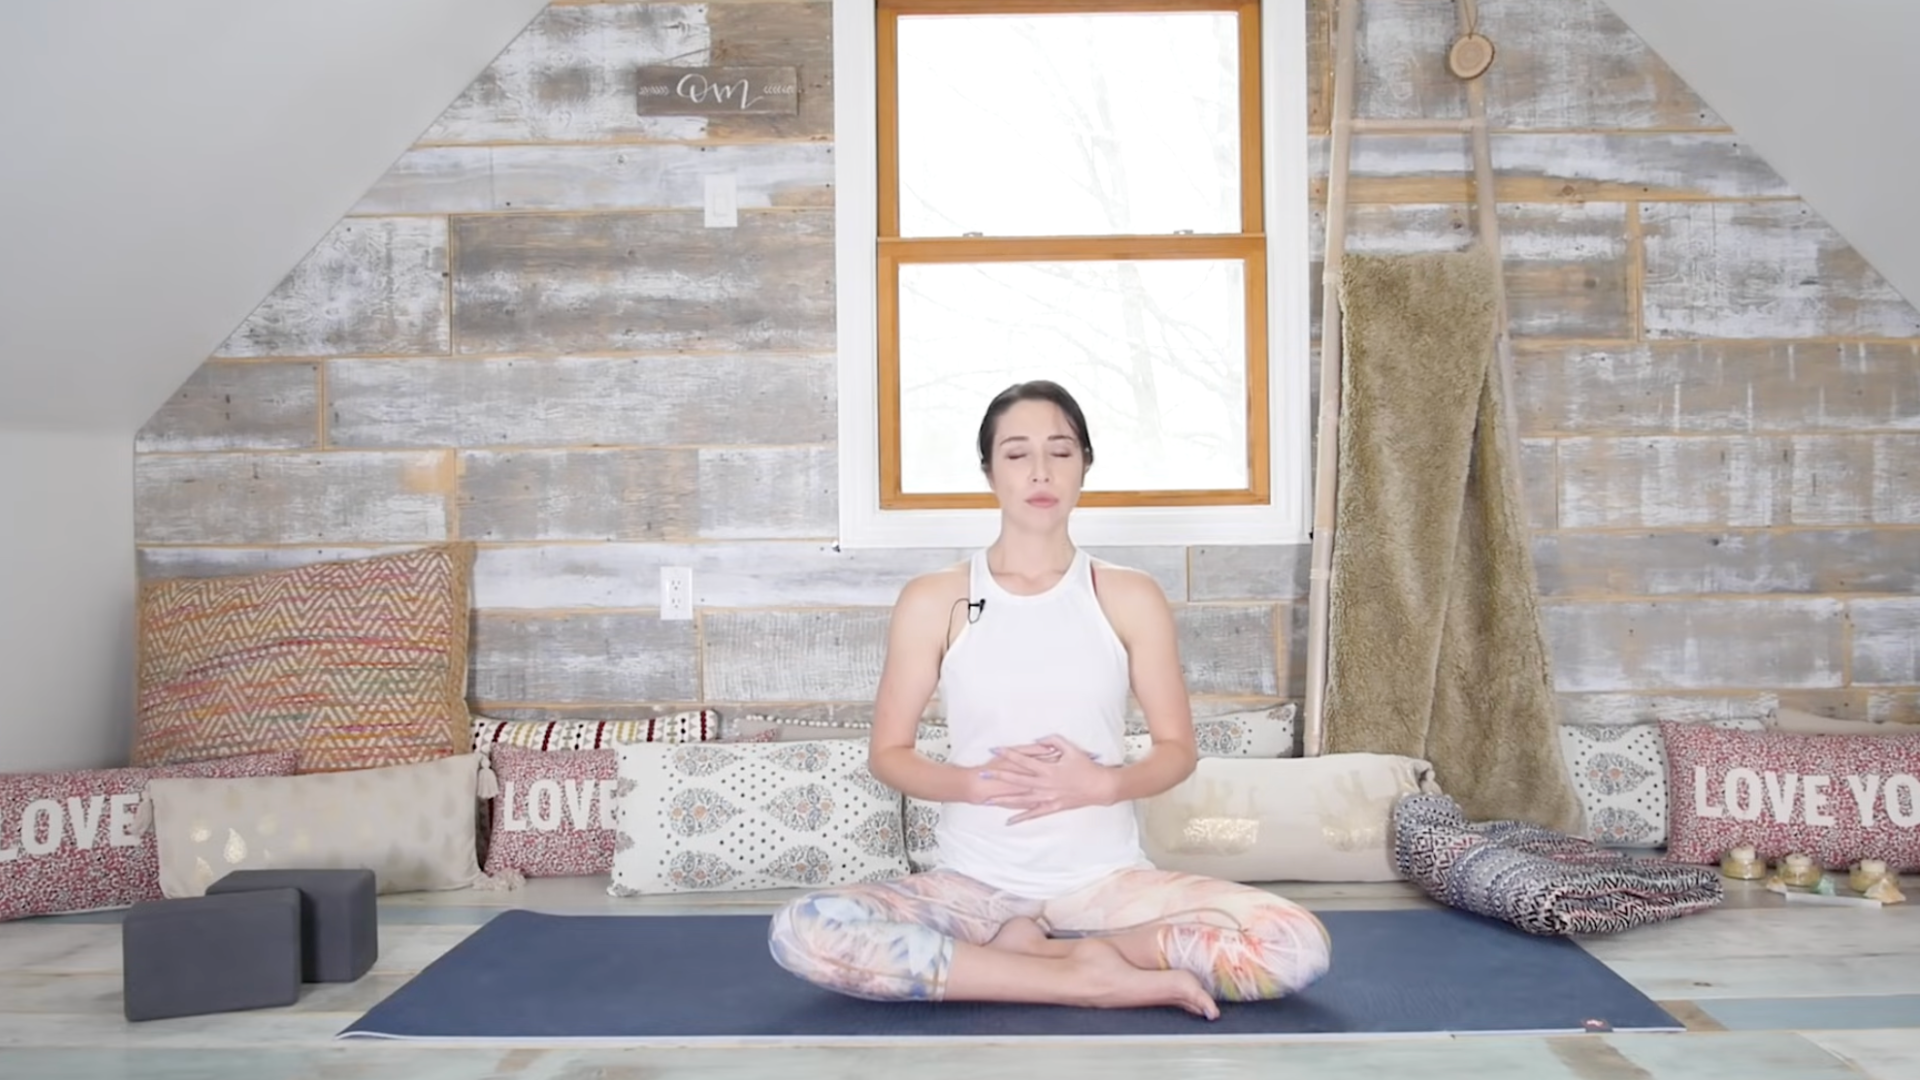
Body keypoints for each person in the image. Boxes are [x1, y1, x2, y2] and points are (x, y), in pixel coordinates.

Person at [767, 380, 1331, 1018]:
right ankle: (1085, 977)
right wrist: (975, 783)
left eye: (1060, 451)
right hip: (972, 891)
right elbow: (889, 754)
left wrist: (1103, 784)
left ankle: (1042, 958)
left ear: (1084, 464)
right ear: (989, 472)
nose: (1040, 471)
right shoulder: (935, 599)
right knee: (804, 930)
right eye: (1017, 453)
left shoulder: (1129, 595)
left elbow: (1177, 751)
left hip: (1106, 888)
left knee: (1295, 945)